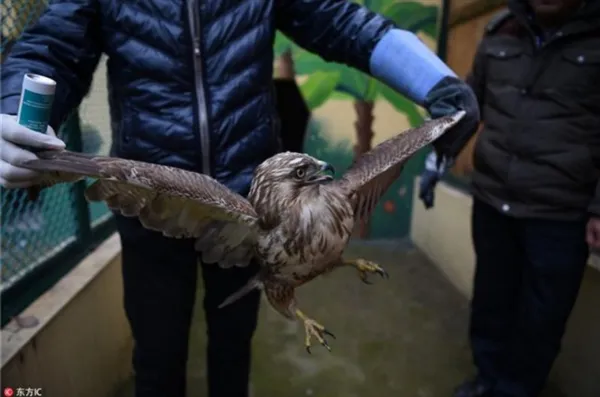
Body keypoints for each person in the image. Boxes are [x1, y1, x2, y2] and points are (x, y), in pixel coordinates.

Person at [0, 1, 479, 396]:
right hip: (151, 205)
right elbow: (52, 47)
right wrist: (13, 116)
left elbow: (340, 21)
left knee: (234, 346)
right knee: (157, 353)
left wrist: (434, 82)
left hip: (253, 211)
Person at [419, 1, 600, 396]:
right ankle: (486, 379)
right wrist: (437, 160)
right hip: (492, 199)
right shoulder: (500, 33)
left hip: (558, 212)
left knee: (542, 317)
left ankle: (515, 390)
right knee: (490, 300)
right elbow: (468, 107)